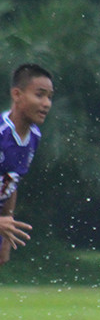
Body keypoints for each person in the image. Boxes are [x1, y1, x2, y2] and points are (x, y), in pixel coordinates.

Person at [0, 63, 54, 266]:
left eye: (49, 97)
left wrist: (6, 237)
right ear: (17, 94)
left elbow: (11, 182)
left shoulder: (33, 137)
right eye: (40, 95)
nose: (46, 103)